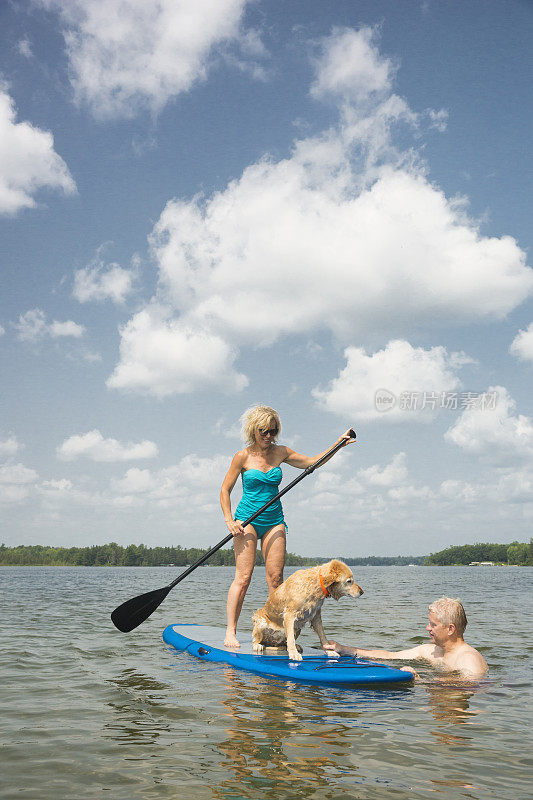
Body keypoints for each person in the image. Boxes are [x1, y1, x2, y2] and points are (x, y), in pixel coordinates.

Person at [220, 404, 354, 648]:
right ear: (254, 430)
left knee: (276, 579)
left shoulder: (280, 452)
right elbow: (225, 489)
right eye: (264, 431)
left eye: (273, 431)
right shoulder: (242, 456)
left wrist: (338, 445)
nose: (269, 436)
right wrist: (230, 520)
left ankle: (280, 634)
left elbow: (312, 462)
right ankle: (231, 631)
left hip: (274, 520)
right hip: (246, 522)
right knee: (244, 577)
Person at [323, 597, 488, 679]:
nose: (427, 628)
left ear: (450, 629)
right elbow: (390, 656)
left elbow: (470, 688)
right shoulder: (430, 651)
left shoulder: (468, 659)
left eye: (433, 625)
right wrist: (344, 649)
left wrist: (420, 680)